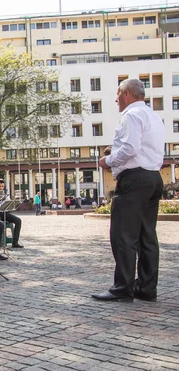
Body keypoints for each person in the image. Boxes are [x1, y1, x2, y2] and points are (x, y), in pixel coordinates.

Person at [92, 79, 164, 302]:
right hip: (153, 177)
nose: (115, 99)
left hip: (134, 180)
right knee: (147, 236)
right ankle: (146, 288)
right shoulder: (153, 115)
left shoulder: (131, 116)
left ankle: (123, 287)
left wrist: (109, 160)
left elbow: (131, 148)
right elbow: (140, 146)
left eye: (117, 94)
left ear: (125, 93)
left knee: (123, 236)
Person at [0, 179, 24, 248]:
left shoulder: (5, 195)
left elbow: (9, 205)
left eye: (2, 186)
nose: (1, 188)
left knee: (18, 220)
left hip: (4, 213)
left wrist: (11, 205)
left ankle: (15, 242)